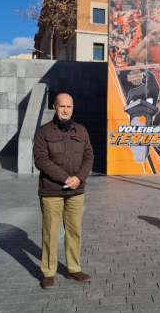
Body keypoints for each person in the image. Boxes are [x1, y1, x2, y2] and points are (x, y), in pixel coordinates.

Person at [33, 93, 94, 289]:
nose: (65, 110)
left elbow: (89, 157)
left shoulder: (82, 131)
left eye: (69, 106)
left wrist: (79, 178)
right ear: (55, 107)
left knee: (74, 231)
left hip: (76, 191)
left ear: (73, 107)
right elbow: (41, 160)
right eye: (62, 106)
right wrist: (65, 178)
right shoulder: (44, 132)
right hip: (52, 191)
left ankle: (73, 269)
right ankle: (48, 272)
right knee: (50, 233)